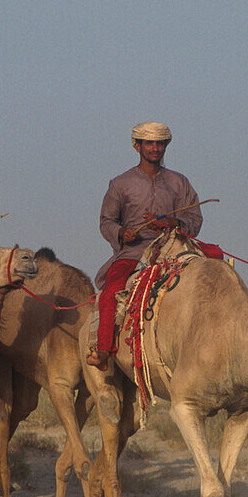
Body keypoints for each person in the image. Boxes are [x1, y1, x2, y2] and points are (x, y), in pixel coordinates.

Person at [87, 122, 203, 370]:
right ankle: (104, 348)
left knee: (212, 278)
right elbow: (106, 221)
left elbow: (195, 219)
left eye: (160, 143)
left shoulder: (180, 183)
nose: (155, 148)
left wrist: (174, 223)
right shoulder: (120, 184)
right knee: (111, 290)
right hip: (133, 253)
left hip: (173, 250)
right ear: (137, 146)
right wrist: (121, 233)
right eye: (149, 143)